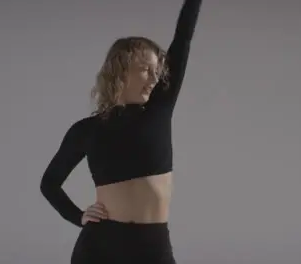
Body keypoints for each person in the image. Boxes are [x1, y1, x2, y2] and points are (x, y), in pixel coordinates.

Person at [39, 0, 203, 263]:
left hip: (153, 244)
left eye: (156, 71)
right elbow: (49, 183)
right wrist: (78, 215)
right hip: (101, 245)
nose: (153, 78)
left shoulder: (159, 108)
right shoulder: (86, 130)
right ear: (121, 72)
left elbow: (183, 37)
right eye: (145, 70)